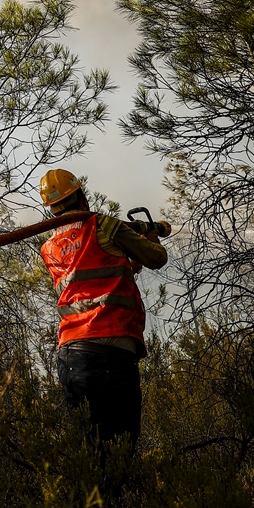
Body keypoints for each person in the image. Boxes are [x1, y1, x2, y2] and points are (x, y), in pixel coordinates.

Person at [38, 168, 167, 457]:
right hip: (109, 352)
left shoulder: (49, 248)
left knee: (90, 454)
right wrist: (153, 236)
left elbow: (106, 268)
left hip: (71, 355)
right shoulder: (104, 226)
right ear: (82, 197)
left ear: (50, 208)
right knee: (118, 454)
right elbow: (155, 258)